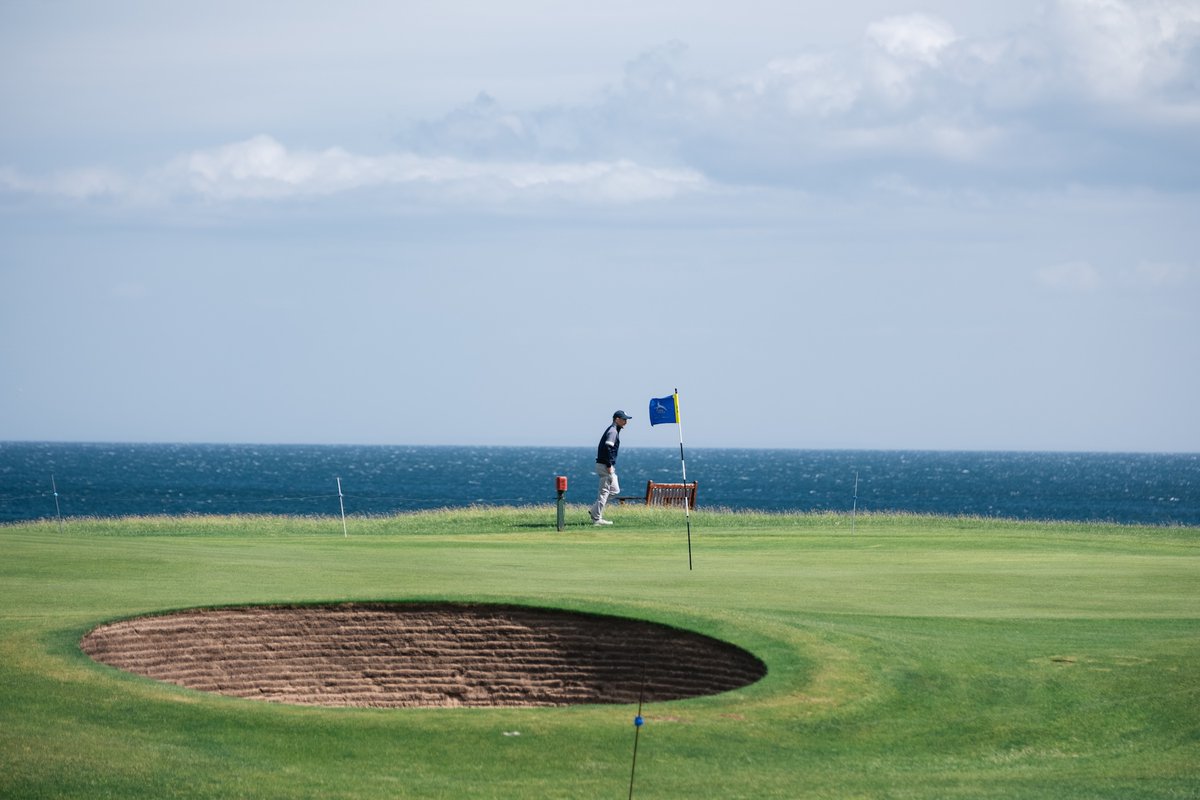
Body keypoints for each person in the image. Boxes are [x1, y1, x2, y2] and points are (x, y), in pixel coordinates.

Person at [590, 410, 631, 525]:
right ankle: (596, 519)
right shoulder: (613, 431)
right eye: (624, 419)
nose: (626, 422)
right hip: (605, 466)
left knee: (614, 491)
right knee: (604, 493)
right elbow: (607, 449)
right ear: (617, 419)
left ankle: (594, 511)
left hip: (606, 465)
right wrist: (608, 465)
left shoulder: (614, 430)